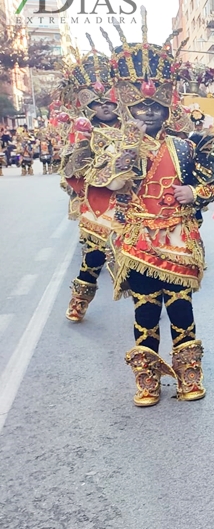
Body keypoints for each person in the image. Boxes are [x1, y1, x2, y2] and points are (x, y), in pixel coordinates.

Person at [89, 18, 214, 407]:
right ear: (127, 106)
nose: (148, 113)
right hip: (138, 239)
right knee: (146, 309)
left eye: (155, 106)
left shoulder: (185, 146)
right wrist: (126, 153)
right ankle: (148, 377)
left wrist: (197, 192)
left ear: (167, 107)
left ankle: (188, 374)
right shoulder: (119, 143)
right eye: (140, 106)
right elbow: (109, 184)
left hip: (180, 238)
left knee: (182, 307)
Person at [53, 44, 122, 322]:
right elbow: (72, 171)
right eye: (98, 102)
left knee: (143, 260)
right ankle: (79, 300)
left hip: (139, 206)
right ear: (89, 105)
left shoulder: (135, 128)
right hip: (101, 205)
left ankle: (150, 303)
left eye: (109, 101)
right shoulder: (85, 132)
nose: (104, 106)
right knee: (94, 258)